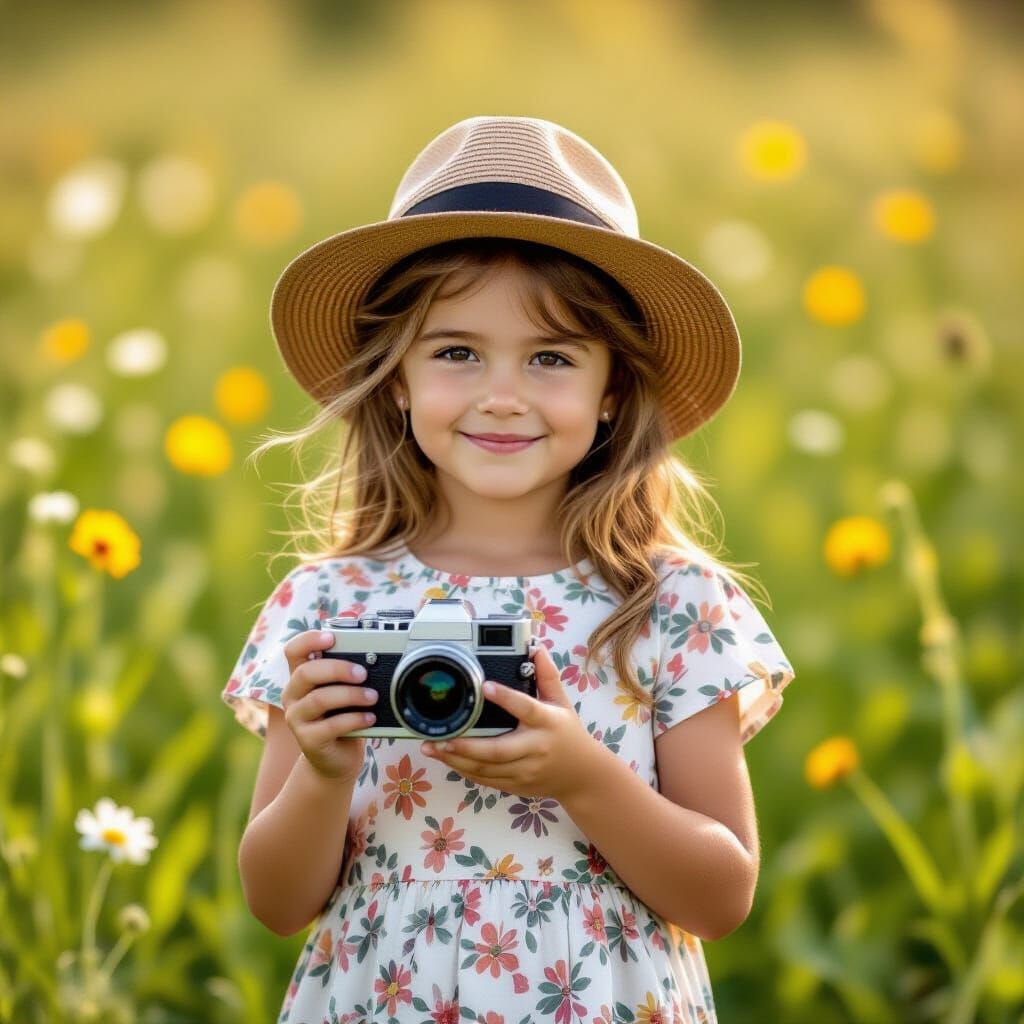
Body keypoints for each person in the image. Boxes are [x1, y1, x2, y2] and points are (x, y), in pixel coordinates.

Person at [222, 115, 796, 1024]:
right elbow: (277, 902)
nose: (501, 394)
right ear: (397, 375)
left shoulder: (669, 604)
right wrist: (323, 776)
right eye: (456, 351)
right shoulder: (329, 601)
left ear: (612, 390)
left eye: (551, 358)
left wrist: (583, 776)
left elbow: (722, 897)